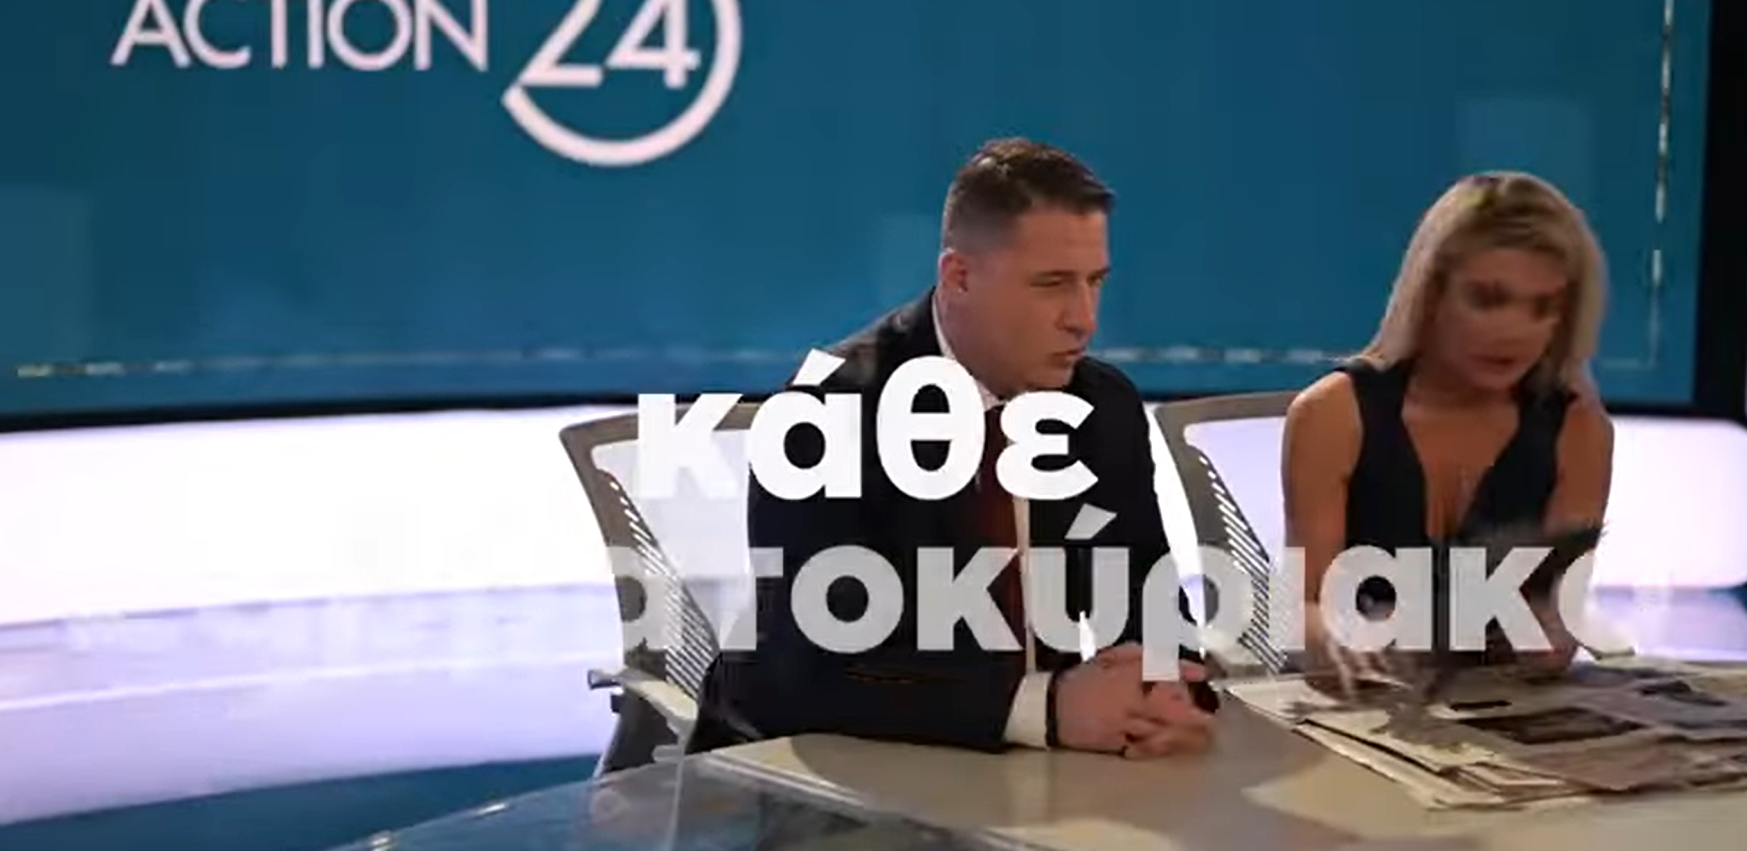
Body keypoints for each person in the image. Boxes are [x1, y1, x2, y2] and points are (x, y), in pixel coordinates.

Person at [688, 138, 1217, 758]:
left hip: (1022, 776)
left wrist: (1165, 693)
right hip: (806, 769)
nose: (1084, 318)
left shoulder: (1101, 406)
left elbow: (1147, 603)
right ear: (959, 277)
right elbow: (810, 673)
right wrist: (1044, 708)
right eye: (1051, 284)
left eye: (1094, 282)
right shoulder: (828, 411)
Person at [1281, 171, 1615, 694]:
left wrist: (1552, 634)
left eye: (1542, 308)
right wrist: (1348, 640)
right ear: (1431, 293)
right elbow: (1301, 610)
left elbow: (1557, 612)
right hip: (1354, 703)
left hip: (1501, 709)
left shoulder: (1578, 429)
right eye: (1487, 299)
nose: (1513, 331)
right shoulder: (1331, 415)